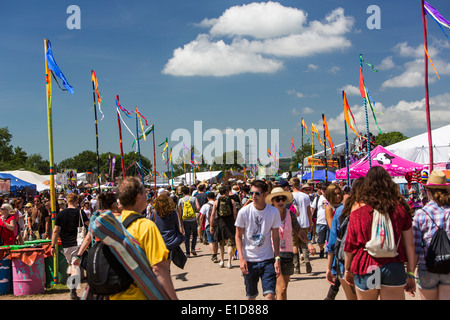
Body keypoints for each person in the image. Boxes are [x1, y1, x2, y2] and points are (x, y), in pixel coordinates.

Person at [343, 166, 416, 300]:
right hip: (393, 265)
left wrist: (347, 269)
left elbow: (349, 245)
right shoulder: (400, 209)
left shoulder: (358, 209)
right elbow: (410, 244)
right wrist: (411, 273)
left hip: (366, 264)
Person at [107, 177, 177, 300]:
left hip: (114, 295)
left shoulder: (112, 225)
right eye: (145, 193)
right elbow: (159, 268)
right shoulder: (145, 226)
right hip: (138, 295)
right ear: (138, 196)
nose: (147, 196)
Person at [234, 180, 282, 300]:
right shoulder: (244, 212)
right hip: (249, 260)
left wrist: (277, 258)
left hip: (268, 259)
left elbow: (276, 237)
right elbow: (238, 235)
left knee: (270, 295)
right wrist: (241, 258)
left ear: (265, 194)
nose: (253, 196)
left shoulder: (273, 212)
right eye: (251, 193)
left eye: (257, 193)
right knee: (251, 296)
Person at [266, 187, 315, 300]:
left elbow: (299, 231)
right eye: (277, 199)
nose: (281, 202)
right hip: (272, 254)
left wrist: (309, 243)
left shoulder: (290, 214)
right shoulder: (268, 216)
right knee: (281, 288)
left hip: (287, 254)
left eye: (283, 199)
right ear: (272, 201)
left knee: (283, 289)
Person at [412, 170, 450, 300]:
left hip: (426, 267)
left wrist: (410, 273)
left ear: (428, 192)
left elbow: (415, 247)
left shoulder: (420, 214)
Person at [325, 178, 364, 301]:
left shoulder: (341, 210)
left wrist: (329, 267)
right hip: (367, 262)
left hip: (343, 262)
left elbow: (333, 241)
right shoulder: (373, 208)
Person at [51, 193, 89, 300]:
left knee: (73, 265)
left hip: (66, 245)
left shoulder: (60, 214)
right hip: (78, 243)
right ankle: (73, 290)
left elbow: (55, 231)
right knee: (76, 266)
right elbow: (89, 225)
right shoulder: (80, 213)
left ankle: (73, 289)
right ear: (77, 201)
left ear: (66, 201)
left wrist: (52, 246)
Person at [151, 193, 186, 270]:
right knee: (168, 259)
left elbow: (151, 225)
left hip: (158, 240)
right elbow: (176, 225)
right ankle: (167, 271)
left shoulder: (155, 214)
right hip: (170, 239)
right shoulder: (172, 213)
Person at [290, 178, 314, 274]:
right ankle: (307, 261)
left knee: (294, 244)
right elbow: (309, 211)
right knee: (304, 243)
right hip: (304, 222)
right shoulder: (305, 196)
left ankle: (296, 266)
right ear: (299, 185)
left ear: (291, 185)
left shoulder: (290, 196)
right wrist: (310, 222)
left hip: (293, 223)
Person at [210, 185, 237, 268]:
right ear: (226, 192)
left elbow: (212, 214)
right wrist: (236, 223)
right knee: (230, 244)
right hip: (230, 224)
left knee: (221, 244)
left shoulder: (216, 202)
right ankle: (229, 262)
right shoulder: (231, 201)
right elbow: (235, 213)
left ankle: (222, 261)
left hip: (220, 224)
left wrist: (211, 226)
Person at [177, 186, 200, 257]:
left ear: (183, 192)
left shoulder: (181, 200)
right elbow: (198, 208)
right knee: (195, 234)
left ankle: (187, 252)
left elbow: (179, 211)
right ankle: (193, 248)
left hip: (185, 220)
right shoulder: (194, 198)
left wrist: (180, 223)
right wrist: (194, 209)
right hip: (193, 219)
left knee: (187, 236)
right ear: (189, 192)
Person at [311, 184, 329, 258]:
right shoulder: (317, 198)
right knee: (320, 240)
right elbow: (312, 209)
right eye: (322, 189)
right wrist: (311, 219)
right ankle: (321, 249)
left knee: (329, 239)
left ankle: (328, 252)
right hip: (320, 221)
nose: (324, 191)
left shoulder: (331, 198)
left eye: (325, 189)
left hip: (329, 222)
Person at [200, 192, 218, 262]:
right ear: (214, 197)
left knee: (211, 241)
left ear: (207, 198)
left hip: (208, 224)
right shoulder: (217, 204)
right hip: (217, 224)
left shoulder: (205, 205)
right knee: (216, 241)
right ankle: (216, 254)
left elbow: (201, 216)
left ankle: (213, 255)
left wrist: (201, 224)